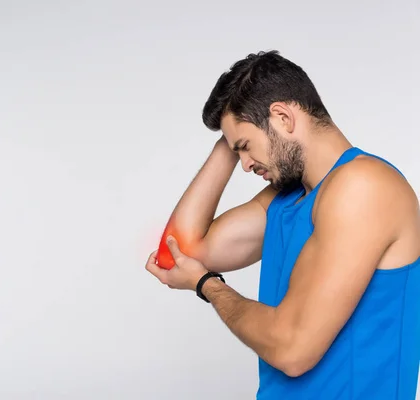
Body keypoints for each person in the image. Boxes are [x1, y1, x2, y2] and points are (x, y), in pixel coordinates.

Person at [145, 50, 420, 399]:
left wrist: (207, 286)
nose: (244, 165)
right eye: (237, 153)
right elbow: (179, 250)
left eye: (245, 148)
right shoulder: (285, 199)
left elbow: (293, 350)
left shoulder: (363, 186)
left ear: (283, 117)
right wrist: (230, 139)